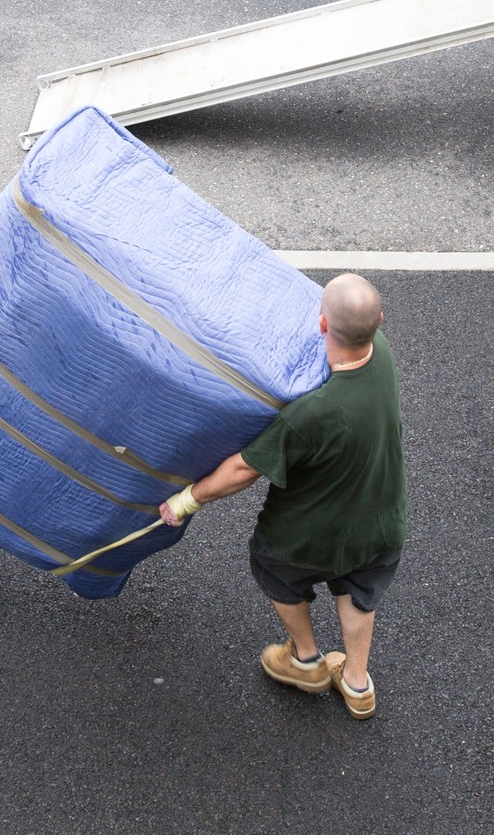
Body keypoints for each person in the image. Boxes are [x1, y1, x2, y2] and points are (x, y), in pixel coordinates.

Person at [159, 273, 405, 719]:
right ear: (378, 321)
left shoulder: (311, 414)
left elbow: (241, 470)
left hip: (308, 540)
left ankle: (306, 660)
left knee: (272, 567)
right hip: (380, 525)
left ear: (324, 326)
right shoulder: (381, 351)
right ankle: (357, 685)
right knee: (358, 591)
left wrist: (186, 500)